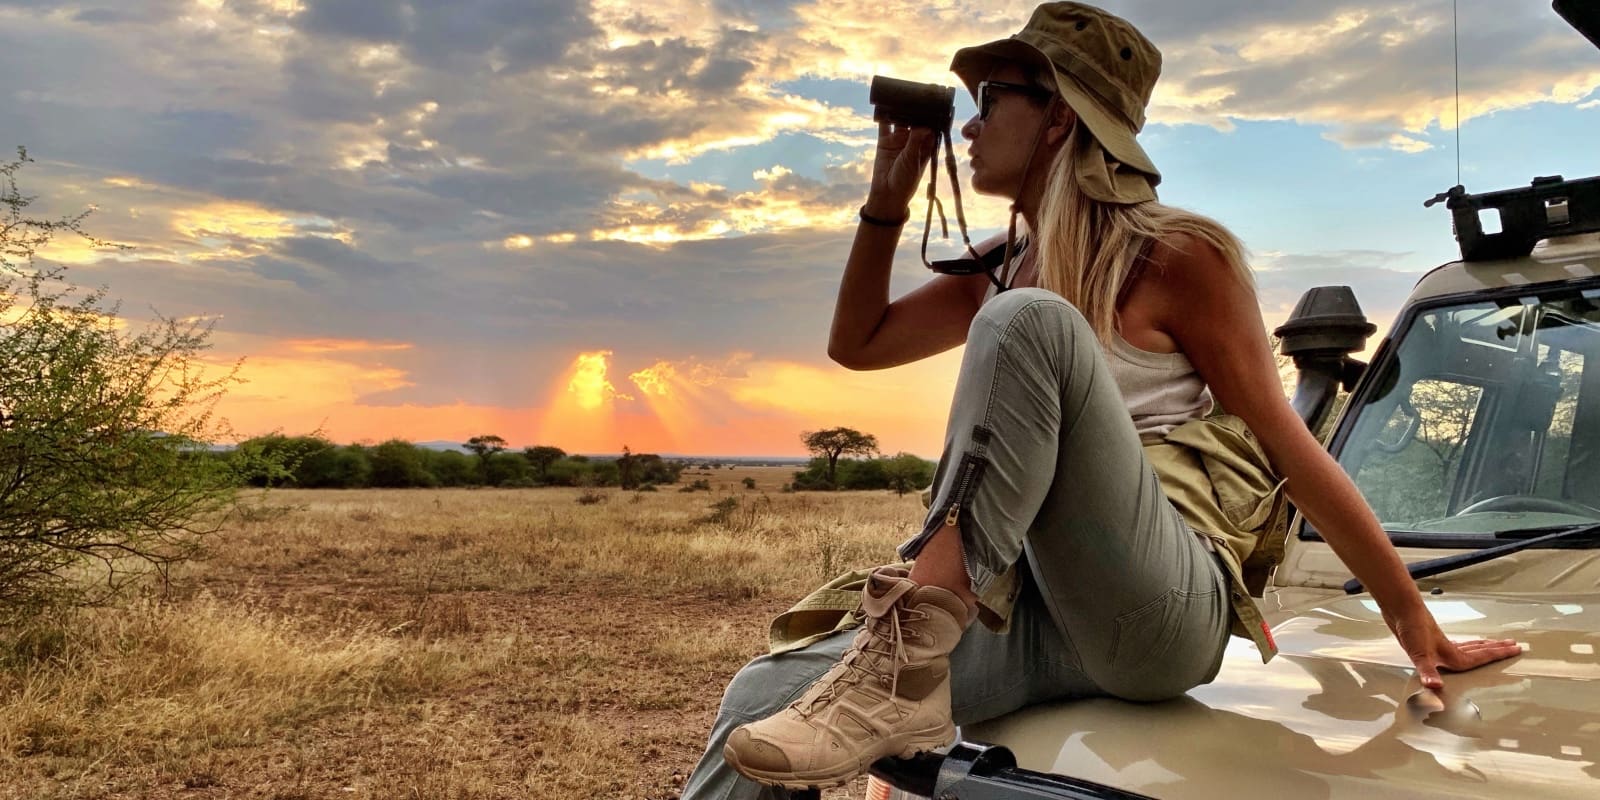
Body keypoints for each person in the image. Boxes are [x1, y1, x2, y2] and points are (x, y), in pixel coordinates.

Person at [681, 3, 1523, 797]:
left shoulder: (1175, 256)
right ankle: (898, 666)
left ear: (1060, 117)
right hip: (1036, 617)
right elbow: (856, 346)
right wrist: (887, 204)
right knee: (760, 696)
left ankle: (905, 654)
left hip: (1158, 612)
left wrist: (1412, 618)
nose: (969, 126)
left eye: (991, 100)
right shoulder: (1001, 266)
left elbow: (1287, 445)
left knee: (1028, 321)